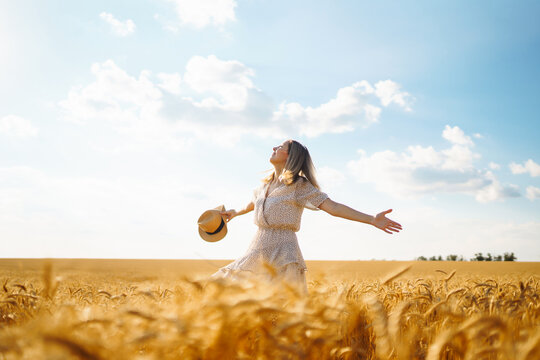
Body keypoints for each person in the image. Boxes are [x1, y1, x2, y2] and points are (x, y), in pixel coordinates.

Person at [211, 140, 402, 294]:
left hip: (283, 251)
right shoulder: (263, 186)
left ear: (290, 156)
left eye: (280, 147)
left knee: (282, 306)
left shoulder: (299, 186)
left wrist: (371, 219)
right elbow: (254, 203)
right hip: (257, 247)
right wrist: (236, 213)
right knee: (225, 289)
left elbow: (333, 207)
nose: (274, 148)